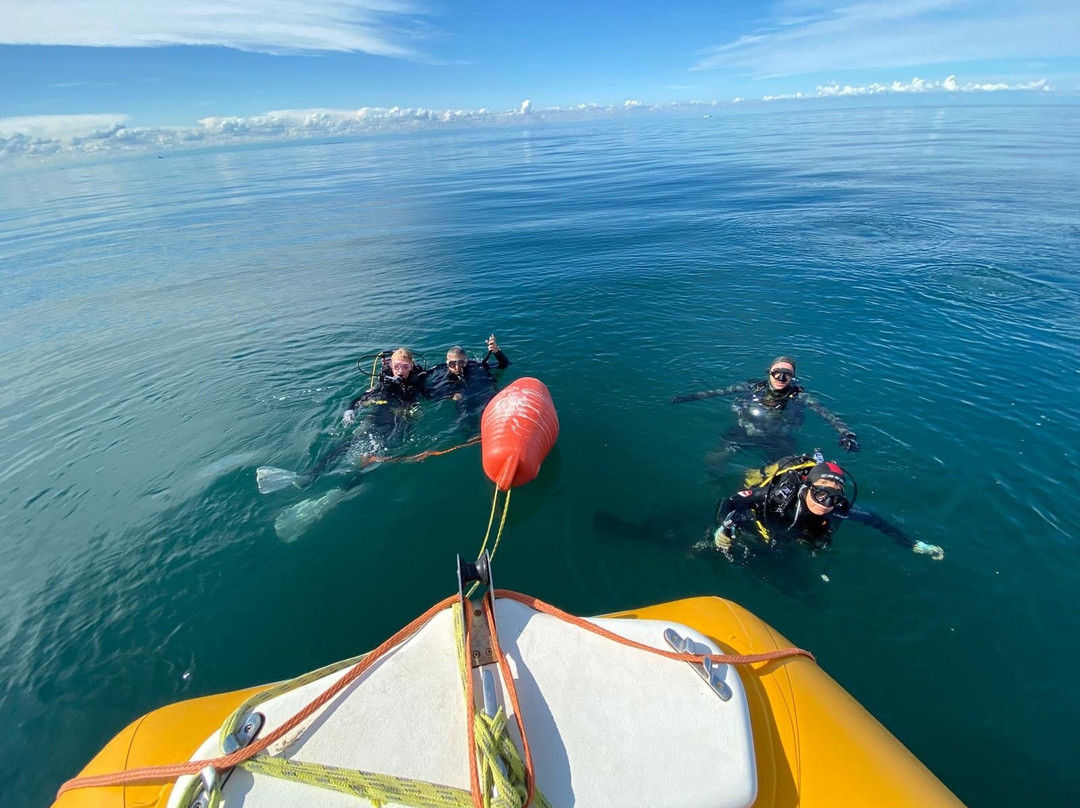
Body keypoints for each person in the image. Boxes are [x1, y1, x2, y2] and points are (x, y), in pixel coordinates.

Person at [712, 454, 944, 561]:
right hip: (766, 519)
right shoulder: (780, 495)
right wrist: (722, 528)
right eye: (821, 494)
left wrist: (914, 544)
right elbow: (731, 501)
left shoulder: (838, 507)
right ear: (808, 487)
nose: (826, 503)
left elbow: (877, 521)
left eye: (834, 497)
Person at [672, 356, 860, 464]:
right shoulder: (753, 388)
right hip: (744, 432)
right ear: (768, 373)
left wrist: (847, 434)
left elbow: (828, 415)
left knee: (782, 476)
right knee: (712, 461)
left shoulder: (800, 396)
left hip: (778, 440)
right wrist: (688, 398)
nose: (780, 377)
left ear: (792, 377)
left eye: (786, 374)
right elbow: (717, 392)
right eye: (776, 372)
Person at [426, 335, 510, 412]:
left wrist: (497, 352)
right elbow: (431, 393)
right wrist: (451, 396)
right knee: (464, 412)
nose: (456, 367)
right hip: (463, 400)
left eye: (460, 363)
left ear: (466, 361)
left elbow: (504, 364)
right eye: (452, 363)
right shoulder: (441, 371)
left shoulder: (476, 366)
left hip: (482, 393)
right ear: (447, 364)